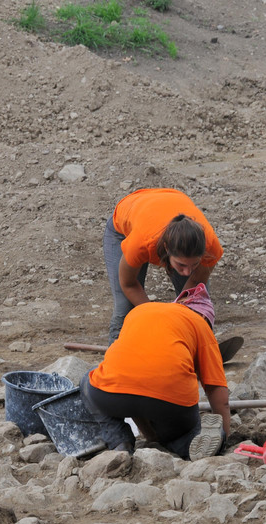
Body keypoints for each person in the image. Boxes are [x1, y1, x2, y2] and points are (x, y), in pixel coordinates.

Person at [80, 283, 230, 460]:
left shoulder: (140, 311)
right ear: (205, 317)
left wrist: (151, 438)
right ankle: (187, 443)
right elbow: (216, 391)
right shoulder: (200, 324)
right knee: (176, 435)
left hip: (111, 394)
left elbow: (136, 379)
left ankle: (120, 442)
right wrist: (225, 436)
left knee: (88, 380)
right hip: (171, 403)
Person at [104, 188, 223, 344]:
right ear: (167, 249)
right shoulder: (141, 243)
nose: (187, 272)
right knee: (126, 308)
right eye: (181, 265)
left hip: (167, 201)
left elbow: (194, 284)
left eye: (194, 264)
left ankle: (199, 349)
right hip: (128, 216)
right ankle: (117, 350)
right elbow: (129, 284)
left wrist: (181, 314)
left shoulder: (210, 245)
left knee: (195, 307)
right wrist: (158, 317)